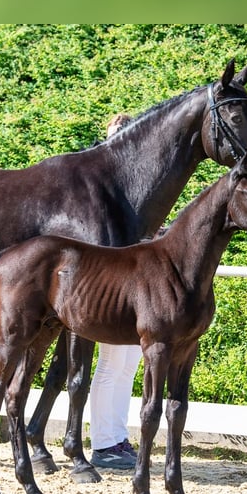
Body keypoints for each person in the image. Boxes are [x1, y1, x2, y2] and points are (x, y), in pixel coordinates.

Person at [88, 113, 143, 470]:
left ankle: (117, 437)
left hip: (137, 279)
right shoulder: (101, 180)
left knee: (128, 365)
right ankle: (102, 443)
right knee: (111, 364)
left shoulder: (138, 183)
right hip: (114, 279)